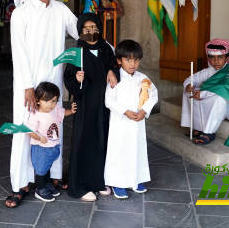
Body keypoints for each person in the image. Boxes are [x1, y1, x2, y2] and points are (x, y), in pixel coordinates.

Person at [5, 0, 79, 209]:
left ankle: (52, 177)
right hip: (29, 85)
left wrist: (99, 36)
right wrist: (27, 87)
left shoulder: (61, 10)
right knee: (25, 129)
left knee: (54, 126)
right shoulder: (20, 14)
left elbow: (81, 31)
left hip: (53, 80)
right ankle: (22, 183)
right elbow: (19, 53)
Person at [63, 13, 117, 202]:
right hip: (86, 104)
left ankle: (99, 181)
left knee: (102, 140)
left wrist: (111, 70)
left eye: (95, 29)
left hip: (104, 105)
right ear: (80, 32)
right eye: (87, 30)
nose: (91, 32)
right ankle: (80, 186)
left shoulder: (106, 49)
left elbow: (113, 65)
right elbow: (68, 78)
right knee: (84, 141)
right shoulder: (76, 53)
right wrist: (77, 80)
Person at [104, 40, 158, 199]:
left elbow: (153, 95)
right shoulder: (115, 77)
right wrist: (125, 111)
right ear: (119, 60)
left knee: (137, 149)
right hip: (120, 123)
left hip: (137, 123)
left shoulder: (143, 78)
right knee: (119, 151)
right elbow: (109, 100)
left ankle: (136, 179)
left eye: (136, 60)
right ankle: (118, 182)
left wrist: (144, 110)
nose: (133, 64)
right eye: (128, 60)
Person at [181, 38, 229, 145]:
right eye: (212, 57)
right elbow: (191, 79)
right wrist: (189, 85)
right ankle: (199, 127)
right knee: (190, 92)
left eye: (220, 57)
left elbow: (221, 88)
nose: (216, 61)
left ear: (227, 58)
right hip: (221, 107)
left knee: (220, 98)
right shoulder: (209, 71)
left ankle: (209, 132)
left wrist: (202, 93)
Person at [25, 82, 77, 202]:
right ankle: (40, 189)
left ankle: (47, 184)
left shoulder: (55, 109)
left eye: (54, 101)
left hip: (53, 146)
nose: (51, 104)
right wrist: (38, 137)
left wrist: (72, 111)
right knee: (41, 170)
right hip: (41, 148)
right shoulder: (35, 114)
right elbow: (29, 131)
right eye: (46, 101)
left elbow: (63, 113)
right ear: (37, 100)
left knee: (47, 167)